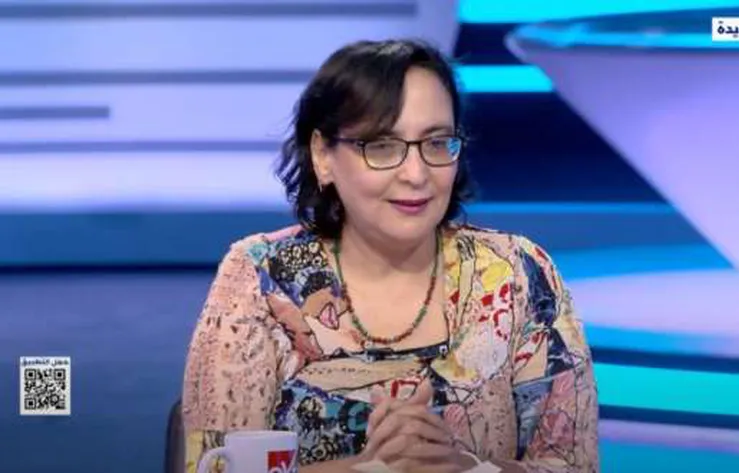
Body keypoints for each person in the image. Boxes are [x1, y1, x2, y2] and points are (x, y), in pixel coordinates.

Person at [181, 38, 599, 473]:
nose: (416, 174)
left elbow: (574, 466)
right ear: (323, 155)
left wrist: (466, 468)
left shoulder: (516, 273)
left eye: (436, 143)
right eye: (382, 146)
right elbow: (214, 467)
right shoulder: (261, 276)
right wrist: (367, 467)